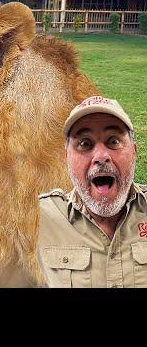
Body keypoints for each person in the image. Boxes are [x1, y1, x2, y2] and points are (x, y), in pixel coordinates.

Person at [37, 96, 147, 288]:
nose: (101, 157)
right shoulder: (35, 219)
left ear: (134, 151)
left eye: (113, 141)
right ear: (66, 157)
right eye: (85, 144)